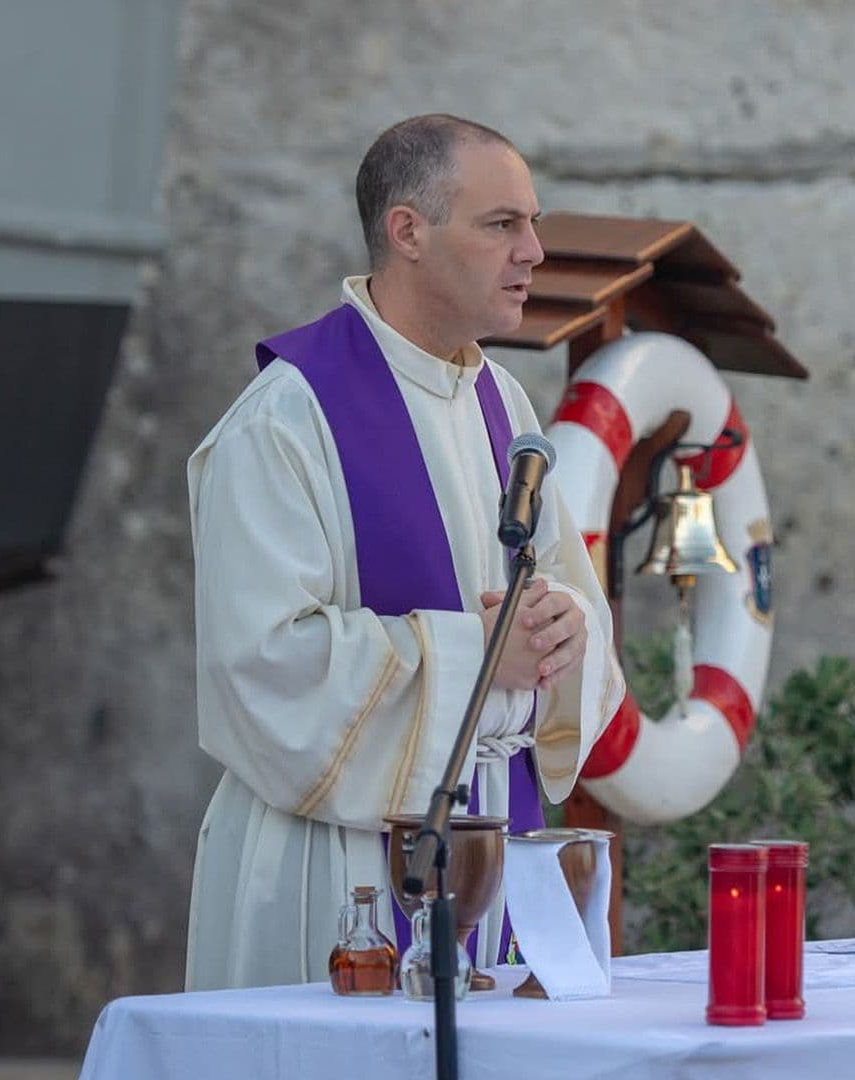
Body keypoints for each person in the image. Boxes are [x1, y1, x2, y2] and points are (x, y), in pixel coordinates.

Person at [184, 114, 625, 990]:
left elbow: (568, 613)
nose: (534, 251)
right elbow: (261, 664)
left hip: (499, 844)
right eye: (503, 225)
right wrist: (481, 658)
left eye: (532, 223)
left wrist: (567, 640)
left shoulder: (504, 403)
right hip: (340, 865)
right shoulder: (287, 419)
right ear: (408, 231)